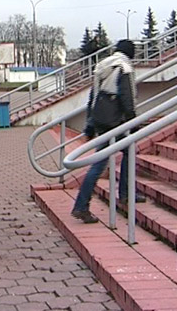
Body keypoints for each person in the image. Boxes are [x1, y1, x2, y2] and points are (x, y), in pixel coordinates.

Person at [71, 39, 146, 224]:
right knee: (99, 164)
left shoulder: (103, 66)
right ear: (130, 53)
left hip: (101, 120)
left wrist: (90, 124)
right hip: (115, 122)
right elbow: (128, 100)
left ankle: (126, 193)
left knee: (127, 151)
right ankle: (82, 206)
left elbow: (93, 97)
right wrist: (133, 123)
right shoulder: (124, 68)